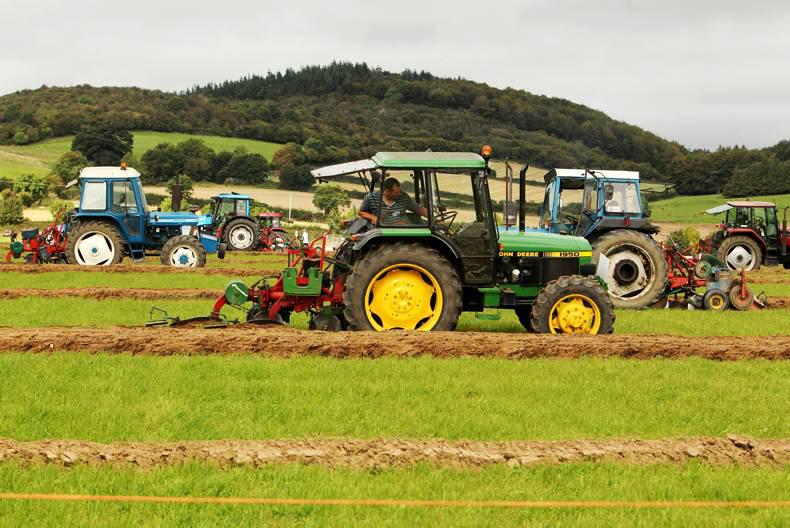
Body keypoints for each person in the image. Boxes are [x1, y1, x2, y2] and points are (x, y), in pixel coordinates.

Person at [359, 177, 428, 226]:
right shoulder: (371, 197)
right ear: (386, 191)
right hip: (385, 232)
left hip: (406, 229)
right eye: (396, 192)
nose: (399, 194)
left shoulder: (403, 197)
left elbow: (419, 209)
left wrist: (432, 217)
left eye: (399, 191)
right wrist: (373, 217)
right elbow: (361, 212)